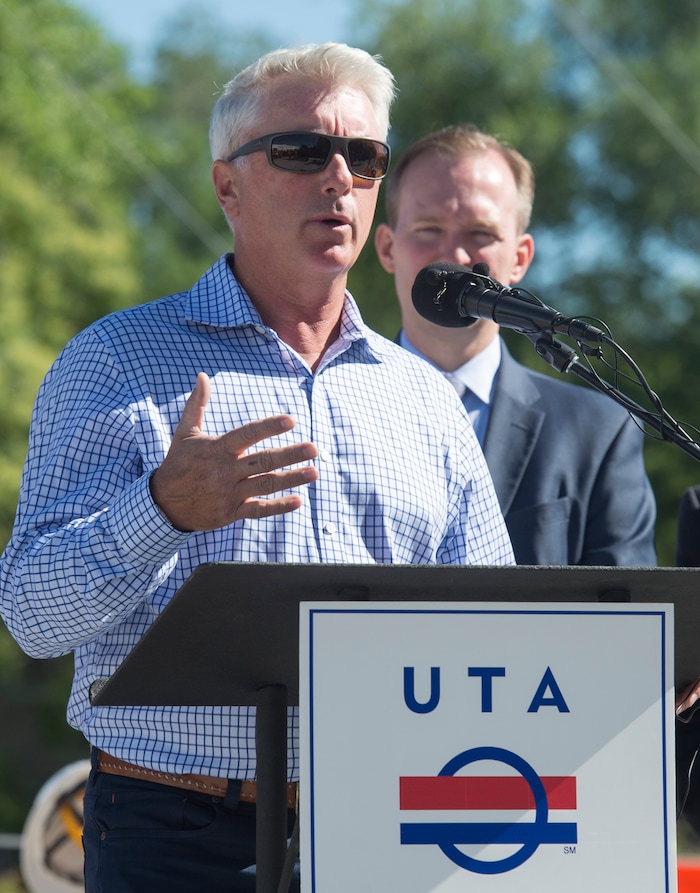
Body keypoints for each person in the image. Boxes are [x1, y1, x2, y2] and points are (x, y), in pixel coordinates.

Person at [0, 47, 514, 892]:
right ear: (226, 187)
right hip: (176, 833)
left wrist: (635, 670)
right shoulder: (116, 362)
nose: (339, 178)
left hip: (391, 826)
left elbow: (496, 620)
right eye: (303, 151)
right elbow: (32, 616)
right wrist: (161, 508)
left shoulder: (424, 399)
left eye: (365, 157)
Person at [374, 124, 657, 566]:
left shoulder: (599, 432)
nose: (457, 257)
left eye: (481, 233)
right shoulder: (331, 409)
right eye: (429, 229)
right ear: (387, 248)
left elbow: (627, 615)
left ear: (521, 257)